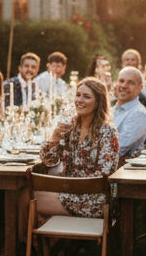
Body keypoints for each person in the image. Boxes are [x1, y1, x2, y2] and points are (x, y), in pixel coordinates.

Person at [37, 78, 121, 218]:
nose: (80, 100)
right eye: (78, 95)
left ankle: (29, 239)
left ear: (99, 101)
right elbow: (49, 161)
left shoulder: (108, 131)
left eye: (86, 97)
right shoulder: (71, 126)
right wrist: (54, 139)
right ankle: (45, 238)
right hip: (70, 193)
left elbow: (103, 176)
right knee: (24, 194)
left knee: (28, 199)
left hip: (95, 199)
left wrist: (67, 186)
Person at [111, 67, 146, 158]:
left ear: (140, 88)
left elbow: (118, 150)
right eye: (121, 81)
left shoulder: (138, 113)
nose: (124, 86)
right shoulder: (112, 109)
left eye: (131, 83)